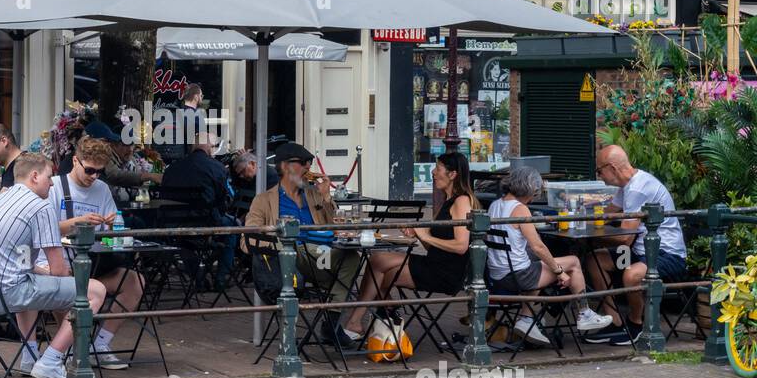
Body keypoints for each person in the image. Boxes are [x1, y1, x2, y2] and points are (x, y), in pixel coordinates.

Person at [0, 151, 108, 378]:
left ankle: (29, 357)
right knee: (95, 291)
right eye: (49, 177)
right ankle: (51, 360)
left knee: (30, 278)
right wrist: (59, 280)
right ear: (35, 176)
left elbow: (18, 263)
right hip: (4, 295)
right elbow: (59, 270)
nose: (52, 183)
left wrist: (46, 276)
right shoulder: (39, 206)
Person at [244, 141, 363, 348]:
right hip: (286, 258)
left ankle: (332, 324)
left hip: (319, 258)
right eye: (302, 163)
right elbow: (247, 240)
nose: (308, 168)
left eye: (309, 163)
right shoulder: (264, 200)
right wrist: (278, 241)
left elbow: (334, 226)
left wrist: (326, 197)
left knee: (352, 257)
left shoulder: (314, 195)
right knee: (308, 249)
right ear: (284, 167)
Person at [345, 153, 477, 338]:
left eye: (438, 169)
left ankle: (371, 318)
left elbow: (461, 246)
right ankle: (378, 315)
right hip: (434, 262)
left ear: (452, 174)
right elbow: (434, 247)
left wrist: (426, 235)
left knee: (379, 268)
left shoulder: (462, 201)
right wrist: (418, 235)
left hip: (445, 272)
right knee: (377, 267)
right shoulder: (447, 202)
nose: (433, 172)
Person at [44, 136, 145, 369]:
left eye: (99, 172)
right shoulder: (55, 187)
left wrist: (112, 226)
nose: (94, 177)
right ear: (76, 161)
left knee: (134, 282)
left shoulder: (102, 190)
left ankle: (99, 344)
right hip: (63, 264)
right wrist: (77, 222)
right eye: (89, 170)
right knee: (63, 281)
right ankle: (69, 347)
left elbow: (113, 233)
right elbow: (44, 229)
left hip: (95, 263)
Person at [485, 166, 613, 345]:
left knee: (539, 264)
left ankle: (526, 319)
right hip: (518, 276)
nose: (534, 197)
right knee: (574, 262)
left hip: (498, 275)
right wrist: (559, 271)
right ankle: (584, 314)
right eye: (535, 192)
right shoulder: (520, 209)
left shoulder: (495, 205)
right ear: (529, 188)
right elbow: (538, 246)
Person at [585, 144, 689, 345]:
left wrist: (592, 234)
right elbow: (610, 213)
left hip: (665, 255)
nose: (599, 176)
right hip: (640, 251)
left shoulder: (638, 189)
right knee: (595, 259)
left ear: (612, 168)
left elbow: (625, 238)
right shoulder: (627, 185)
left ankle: (636, 325)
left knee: (631, 274)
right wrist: (582, 220)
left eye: (600, 171)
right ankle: (614, 320)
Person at [160, 131, 236, 290]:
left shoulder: (172, 168)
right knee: (233, 227)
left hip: (173, 227)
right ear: (209, 147)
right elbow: (222, 202)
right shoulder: (217, 167)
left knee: (184, 242)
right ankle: (222, 278)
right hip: (205, 224)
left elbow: (163, 198)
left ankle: (197, 275)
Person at [81, 121, 162, 194]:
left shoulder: (131, 160)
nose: (130, 149)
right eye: (125, 145)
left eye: (132, 145)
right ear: (114, 145)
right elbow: (114, 175)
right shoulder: (102, 157)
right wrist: (148, 176)